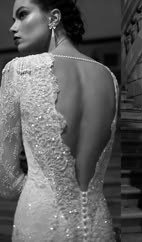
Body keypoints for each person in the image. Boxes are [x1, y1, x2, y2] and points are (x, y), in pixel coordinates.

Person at [0, 0, 118, 241]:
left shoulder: (20, 71)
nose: (12, 27)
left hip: (41, 224)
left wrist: (41, 190)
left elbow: (6, 181)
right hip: (98, 226)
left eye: (22, 15)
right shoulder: (109, 77)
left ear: (54, 17)